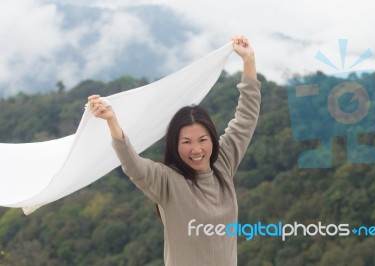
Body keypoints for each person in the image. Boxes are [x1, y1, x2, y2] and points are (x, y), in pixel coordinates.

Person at [88, 35, 261, 266]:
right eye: (186, 142)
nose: (196, 149)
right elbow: (134, 165)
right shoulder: (167, 181)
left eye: (202, 139)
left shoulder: (223, 163)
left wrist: (249, 61)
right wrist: (112, 122)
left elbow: (246, 119)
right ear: (175, 145)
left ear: (212, 139)